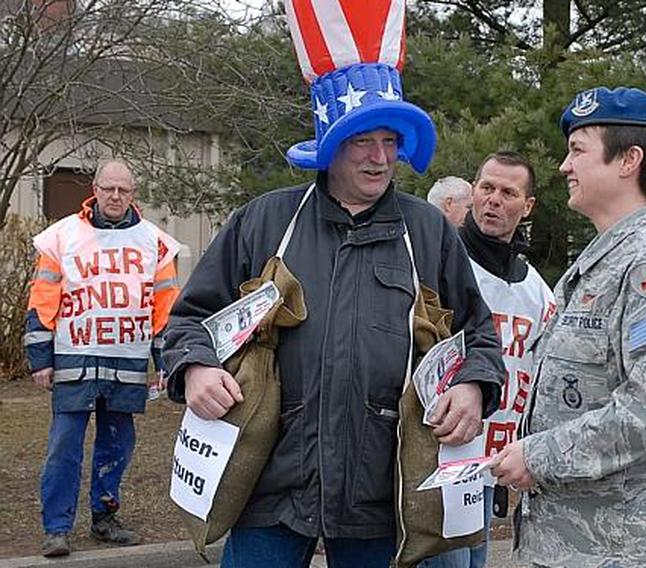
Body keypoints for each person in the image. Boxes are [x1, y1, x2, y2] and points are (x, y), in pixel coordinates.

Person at [162, 3, 504, 567]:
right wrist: (195, 369)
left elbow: (480, 338)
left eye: (391, 141)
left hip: (384, 497)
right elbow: (188, 322)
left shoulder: (428, 233)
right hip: (271, 489)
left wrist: (472, 388)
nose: (380, 158)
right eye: (362, 141)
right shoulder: (264, 222)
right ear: (329, 143)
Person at [491, 86, 646, 567]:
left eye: (577, 151)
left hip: (628, 549)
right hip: (578, 547)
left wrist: (540, 456)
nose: (563, 166)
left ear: (628, 160)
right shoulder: (600, 266)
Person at [24, 159, 181, 558]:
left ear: (134, 192)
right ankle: (56, 528)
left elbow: (165, 309)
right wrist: (40, 358)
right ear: (94, 188)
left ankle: (104, 518)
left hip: (125, 360)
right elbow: (42, 299)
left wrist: (166, 362)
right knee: (64, 446)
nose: (115, 196)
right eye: (108, 188)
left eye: (123, 190)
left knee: (117, 445)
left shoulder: (156, 243)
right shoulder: (62, 236)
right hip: (73, 358)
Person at [422, 152, 556, 568]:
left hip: (491, 462)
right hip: (440, 457)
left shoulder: (537, 289)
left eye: (508, 192)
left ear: (527, 206)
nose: (494, 200)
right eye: (487, 188)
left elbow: (546, 379)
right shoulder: (437, 263)